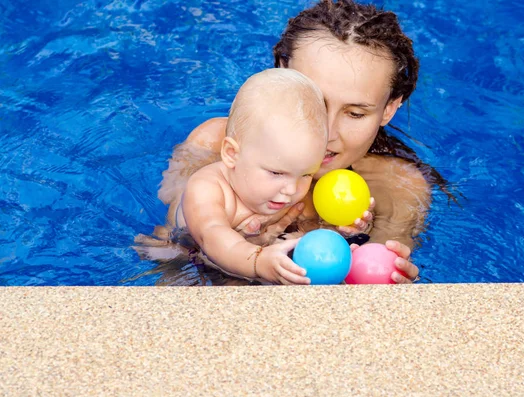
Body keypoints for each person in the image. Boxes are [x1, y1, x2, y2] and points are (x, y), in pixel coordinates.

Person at [154, 0, 455, 284]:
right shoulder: (213, 143)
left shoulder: (395, 188)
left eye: (354, 113)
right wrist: (247, 251)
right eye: (315, 102)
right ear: (282, 72)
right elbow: (171, 245)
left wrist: (383, 273)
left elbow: (363, 289)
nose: (328, 133)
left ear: (388, 108)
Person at [177, 68, 367, 284]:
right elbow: (212, 237)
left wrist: (340, 237)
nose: (291, 190)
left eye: (306, 174)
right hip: (185, 254)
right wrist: (258, 261)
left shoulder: (292, 194)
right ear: (232, 154)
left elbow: (309, 237)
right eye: (276, 173)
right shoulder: (207, 189)